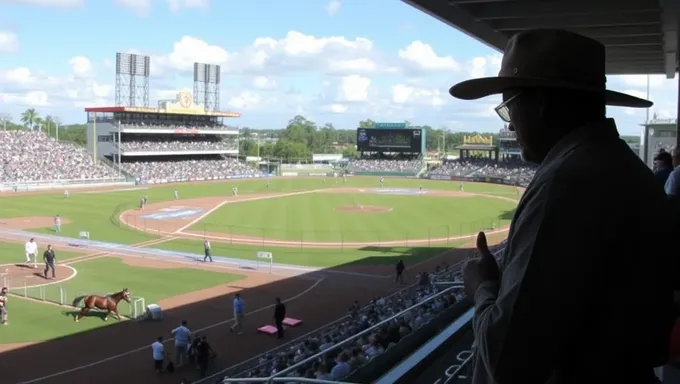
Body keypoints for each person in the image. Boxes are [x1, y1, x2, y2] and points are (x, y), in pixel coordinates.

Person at [452, 29, 674, 384]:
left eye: (509, 106)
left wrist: (482, 286)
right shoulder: (623, 166)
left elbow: (508, 358)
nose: (509, 124)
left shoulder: (566, 182)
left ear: (539, 104)